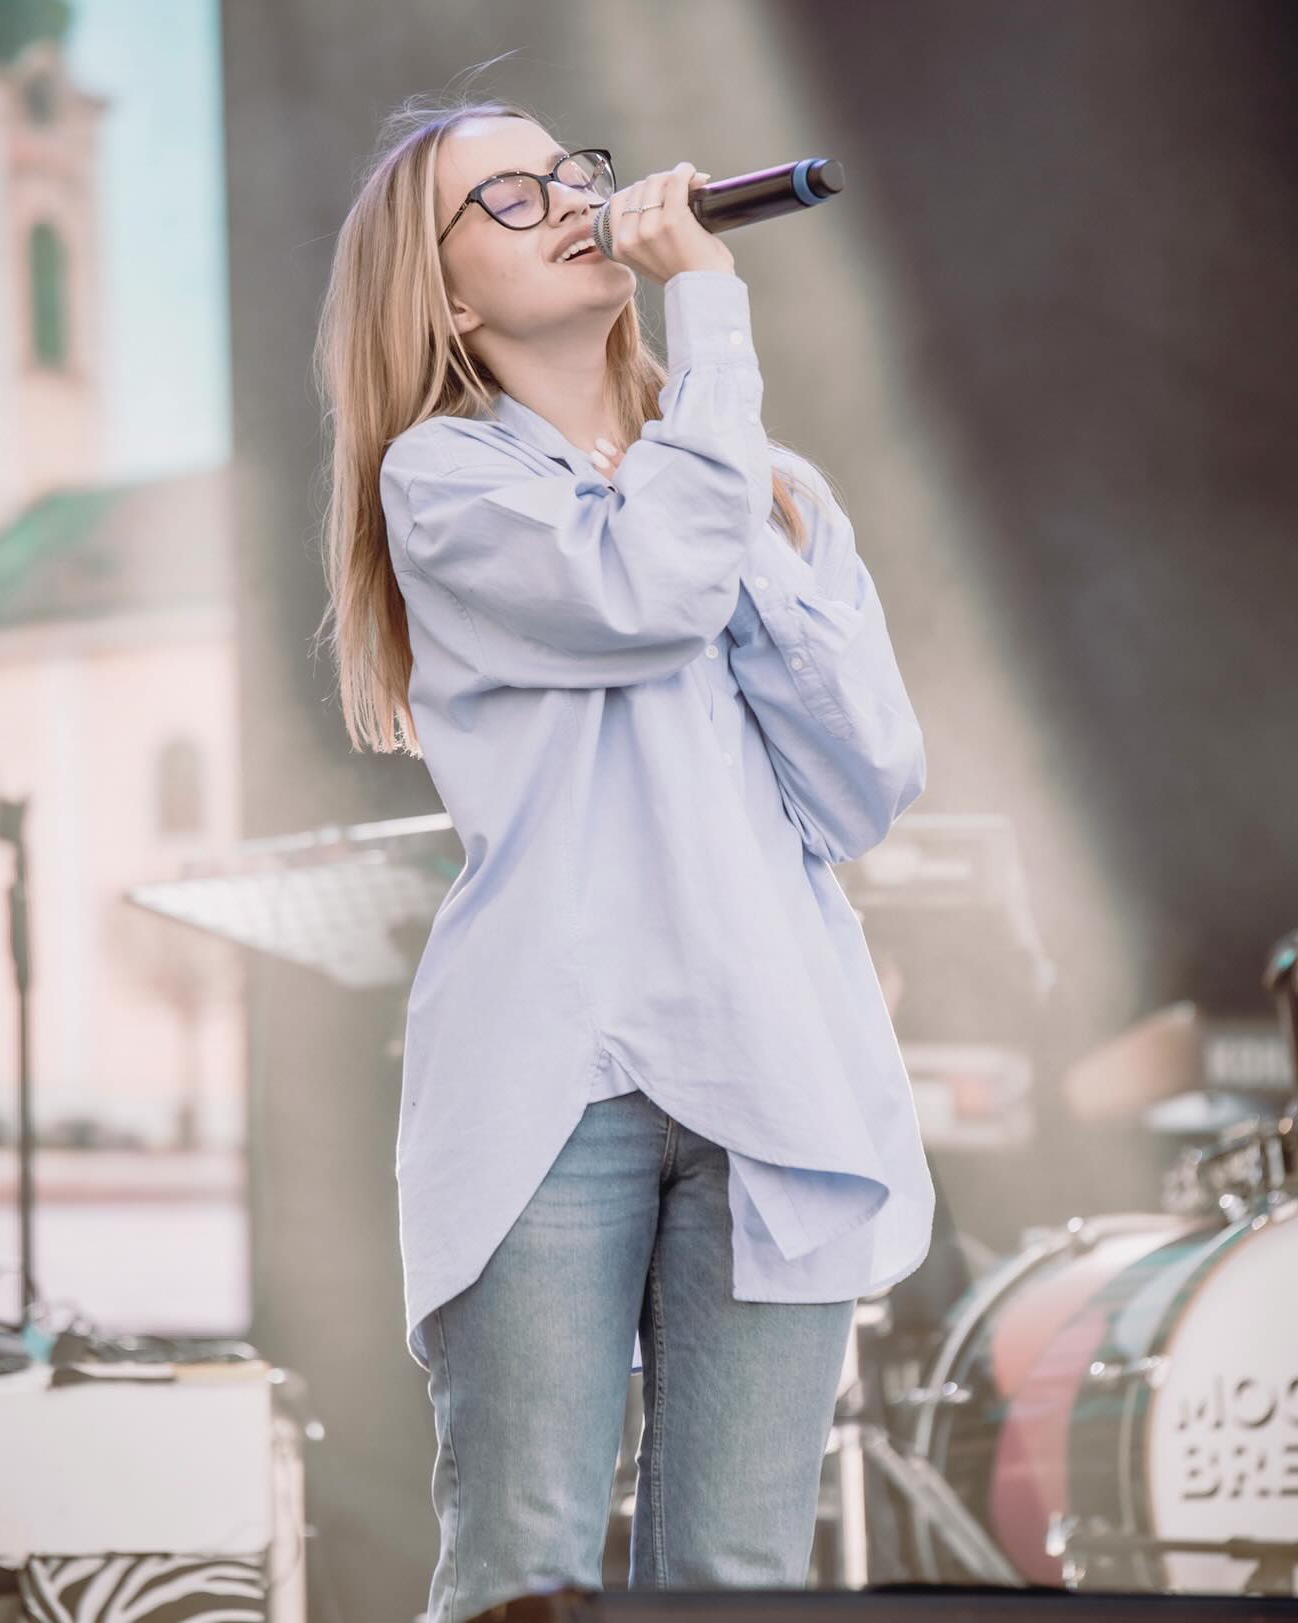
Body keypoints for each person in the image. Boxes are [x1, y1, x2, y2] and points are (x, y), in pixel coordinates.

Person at [313, 87, 934, 1622]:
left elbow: (865, 783)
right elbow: (643, 589)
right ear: (450, 298)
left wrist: (761, 533)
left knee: (736, 1582)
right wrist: (711, 320)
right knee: (522, 1568)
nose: (575, 201)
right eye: (510, 199)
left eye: (569, 172)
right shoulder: (444, 482)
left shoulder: (763, 487)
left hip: (768, 1068)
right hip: (553, 1083)